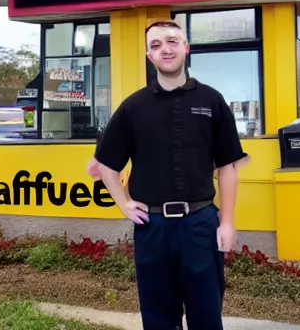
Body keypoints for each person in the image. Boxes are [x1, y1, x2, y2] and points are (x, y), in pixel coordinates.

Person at [92, 19, 249, 330]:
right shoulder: (133, 107)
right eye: (155, 45)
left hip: (200, 224)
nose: (165, 49)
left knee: (206, 315)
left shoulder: (211, 101)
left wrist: (227, 222)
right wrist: (123, 203)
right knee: (158, 317)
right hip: (153, 228)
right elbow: (106, 163)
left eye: (172, 41)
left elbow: (228, 167)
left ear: (186, 48)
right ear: (149, 56)